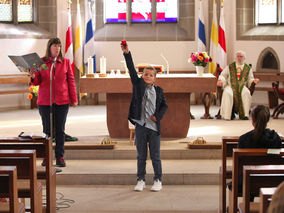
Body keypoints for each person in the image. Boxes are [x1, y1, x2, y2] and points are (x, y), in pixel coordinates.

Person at [121, 42, 168, 192]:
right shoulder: (138, 85)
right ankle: (140, 179)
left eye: (151, 75)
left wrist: (158, 116)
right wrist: (127, 53)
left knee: (155, 155)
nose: (148, 77)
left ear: (155, 78)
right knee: (141, 155)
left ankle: (158, 180)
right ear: (142, 76)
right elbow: (130, 69)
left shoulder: (159, 91)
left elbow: (164, 106)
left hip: (154, 128)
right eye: (145, 74)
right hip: (141, 126)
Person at [30, 37, 78, 167]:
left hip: (62, 101)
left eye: (59, 46)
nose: (57, 48)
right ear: (49, 47)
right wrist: (33, 77)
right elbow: (37, 81)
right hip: (45, 102)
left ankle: (60, 157)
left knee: (60, 130)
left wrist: (74, 99)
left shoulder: (66, 62)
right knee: (47, 131)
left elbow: (71, 81)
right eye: (55, 46)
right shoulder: (41, 62)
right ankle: (47, 156)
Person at [228, 105, 282, 200]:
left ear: (252, 119)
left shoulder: (244, 139)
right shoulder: (275, 138)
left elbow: (238, 167)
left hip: (248, 181)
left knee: (240, 179)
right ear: (267, 119)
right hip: (273, 180)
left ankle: (247, 205)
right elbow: (276, 155)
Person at [217, 51, 260, 120]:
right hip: (230, 86)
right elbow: (223, 75)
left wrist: (253, 81)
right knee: (228, 93)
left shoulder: (247, 68)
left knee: (246, 93)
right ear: (235, 58)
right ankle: (228, 115)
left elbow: (250, 79)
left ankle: (245, 115)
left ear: (244, 58)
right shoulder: (230, 66)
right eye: (238, 56)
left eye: (241, 56)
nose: (239, 58)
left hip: (242, 87)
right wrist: (220, 80)